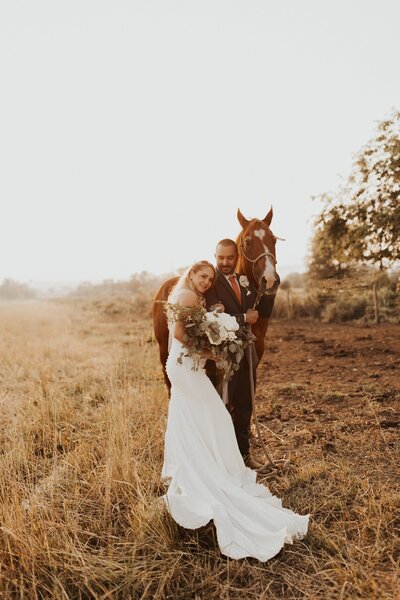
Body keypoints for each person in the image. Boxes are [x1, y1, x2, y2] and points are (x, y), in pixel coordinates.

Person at [161, 260, 308, 561]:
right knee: (213, 418)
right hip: (187, 368)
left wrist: (212, 322)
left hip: (183, 368)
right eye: (202, 276)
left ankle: (198, 467)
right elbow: (178, 334)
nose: (205, 282)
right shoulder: (187, 296)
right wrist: (211, 352)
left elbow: (188, 329)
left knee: (195, 419)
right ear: (191, 274)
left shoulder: (188, 295)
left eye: (209, 278)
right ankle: (211, 472)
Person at [204, 239, 274, 470]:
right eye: (220, 257)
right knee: (223, 406)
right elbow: (215, 319)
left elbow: (262, 311)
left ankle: (244, 455)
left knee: (245, 404)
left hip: (247, 352)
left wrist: (270, 287)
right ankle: (222, 459)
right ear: (215, 256)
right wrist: (244, 318)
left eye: (230, 258)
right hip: (225, 356)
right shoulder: (210, 282)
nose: (225, 262)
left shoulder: (244, 281)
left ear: (238, 258)